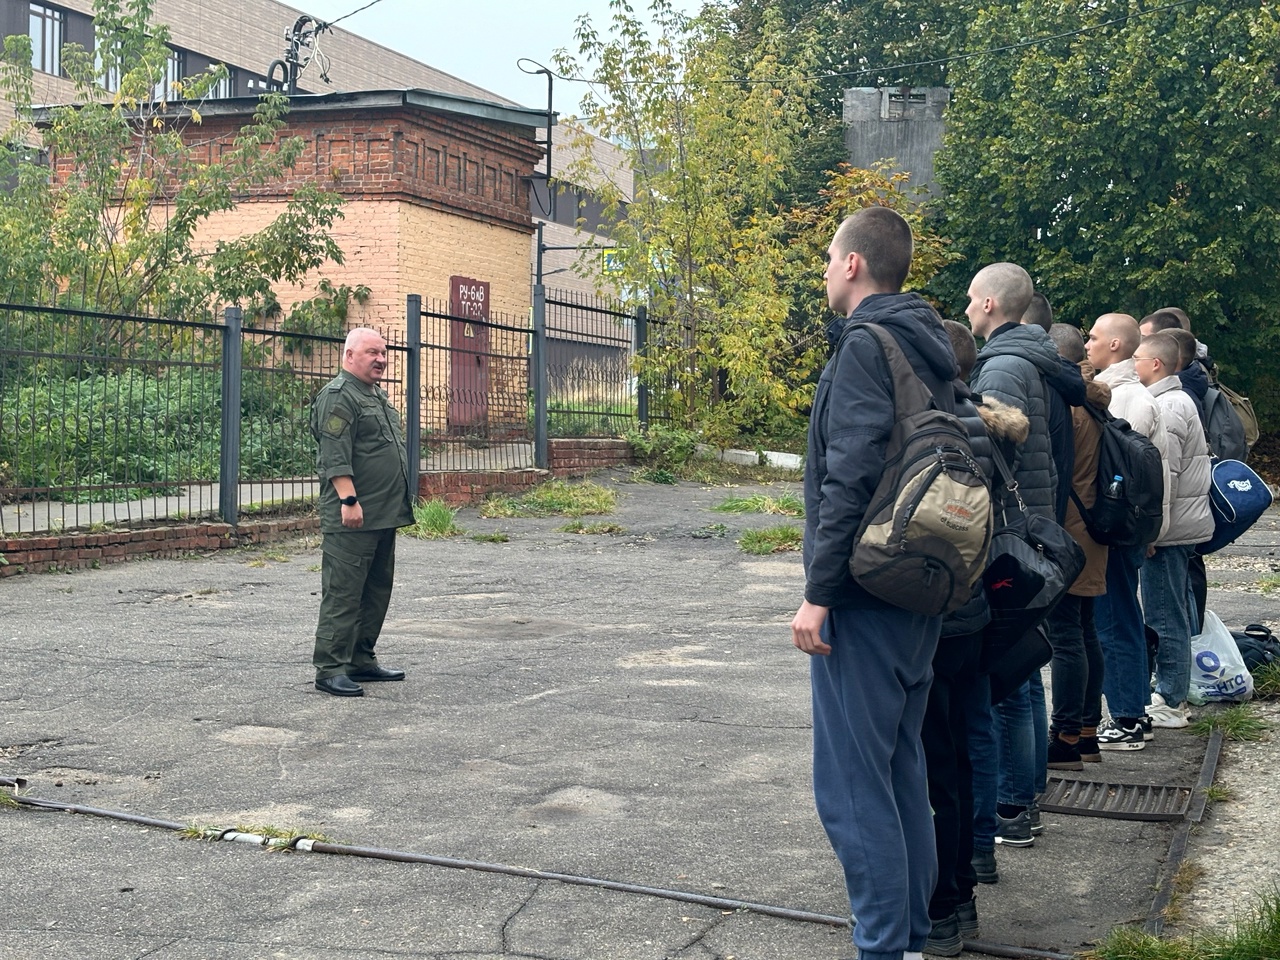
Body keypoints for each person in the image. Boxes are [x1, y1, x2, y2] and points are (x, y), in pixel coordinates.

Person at [792, 207, 959, 960]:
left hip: (864, 593)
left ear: (854, 264)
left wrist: (819, 592)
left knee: (854, 788)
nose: (825, 269)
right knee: (899, 774)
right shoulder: (929, 344)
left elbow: (848, 475)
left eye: (830, 257)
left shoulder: (866, 344)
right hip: (920, 587)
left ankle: (885, 948)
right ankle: (911, 939)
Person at [923, 321, 1029, 952]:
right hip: (977, 615)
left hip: (938, 617)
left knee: (935, 765)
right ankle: (962, 891)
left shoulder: (939, 430)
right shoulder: (988, 429)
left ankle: (943, 906)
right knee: (961, 755)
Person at [965, 263, 1059, 849]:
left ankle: (1012, 805)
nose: (968, 308)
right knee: (1026, 668)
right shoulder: (1038, 358)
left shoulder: (1000, 365)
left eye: (973, 298)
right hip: (1035, 528)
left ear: (994, 305)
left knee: (1009, 678)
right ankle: (1028, 793)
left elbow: (990, 458)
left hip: (1007, 536)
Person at [311, 327, 415, 697]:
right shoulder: (339, 397)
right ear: (349, 355)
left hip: (384, 514)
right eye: (372, 352)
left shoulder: (376, 395)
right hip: (354, 513)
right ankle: (330, 667)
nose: (381, 359)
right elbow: (334, 452)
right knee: (343, 593)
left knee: (375, 591)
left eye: (383, 353)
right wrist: (348, 500)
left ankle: (360, 659)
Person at [1083, 314, 1169, 749]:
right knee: (1126, 616)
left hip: (1116, 528)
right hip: (1133, 528)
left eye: (1094, 337)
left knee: (1114, 620)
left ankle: (1126, 717)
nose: (1087, 344)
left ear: (1116, 345)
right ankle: (1133, 708)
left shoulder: (1119, 398)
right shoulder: (1140, 394)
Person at [1133, 332, 1213, 728]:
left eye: (1139, 357)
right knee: (1174, 611)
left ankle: (1169, 697)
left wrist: (1153, 533)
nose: (1133, 363)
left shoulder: (1166, 406)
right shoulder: (1178, 400)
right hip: (1183, 525)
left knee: (1165, 616)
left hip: (1171, 529)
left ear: (1157, 365)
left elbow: (1167, 477)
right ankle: (1173, 691)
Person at [1044, 324, 1110, 770]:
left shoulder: (1070, 410)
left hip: (1069, 529)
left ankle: (1066, 737)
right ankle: (1087, 732)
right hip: (1092, 530)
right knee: (1085, 631)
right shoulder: (1096, 404)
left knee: (1067, 636)